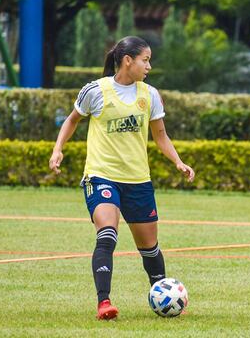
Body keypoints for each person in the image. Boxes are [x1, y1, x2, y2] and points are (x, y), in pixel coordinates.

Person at [49, 36, 195, 320]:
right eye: (145, 60)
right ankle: (104, 302)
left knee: (149, 248)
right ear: (128, 60)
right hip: (101, 176)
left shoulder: (149, 95)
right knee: (107, 234)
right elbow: (71, 120)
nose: (149, 66)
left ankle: (162, 295)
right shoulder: (96, 91)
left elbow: (160, 135)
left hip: (138, 180)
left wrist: (178, 161)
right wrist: (58, 150)